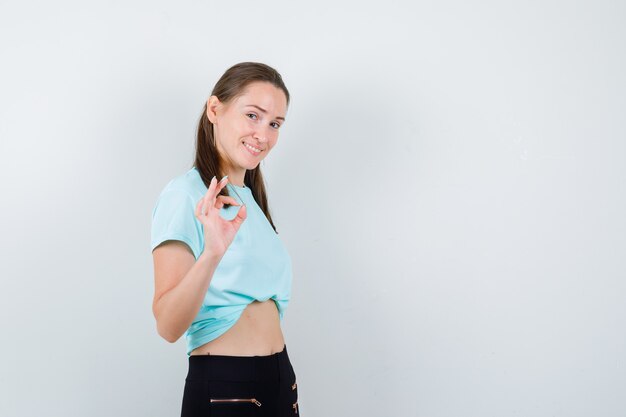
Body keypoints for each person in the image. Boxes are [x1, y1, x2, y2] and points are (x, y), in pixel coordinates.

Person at [150, 62, 300, 416]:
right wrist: (212, 253)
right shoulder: (185, 195)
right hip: (228, 387)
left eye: (274, 124)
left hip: (281, 380)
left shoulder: (251, 200)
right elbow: (168, 326)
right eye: (253, 115)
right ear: (214, 109)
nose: (263, 134)